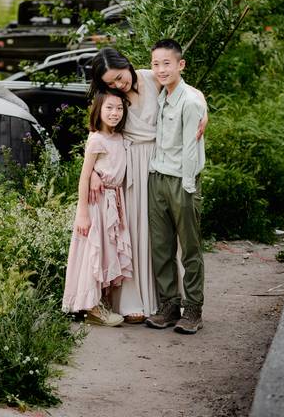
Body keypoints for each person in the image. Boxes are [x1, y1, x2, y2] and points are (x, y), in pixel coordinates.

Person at [87, 47, 207, 324]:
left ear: (126, 65)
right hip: (129, 164)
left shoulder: (152, 77)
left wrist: (205, 116)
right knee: (134, 230)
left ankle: (171, 302)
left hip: (161, 161)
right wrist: (93, 170)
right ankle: (134, 300)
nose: (119, 85)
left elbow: (193, 94)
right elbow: (97, 129)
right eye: (111, 83)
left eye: (119, 77)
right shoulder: (112, 97)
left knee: (163, 237)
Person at [144, 39, 206, 334]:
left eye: (166, 63)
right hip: (157, 178)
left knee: (190, 248)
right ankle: (169, 305)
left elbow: (191, 148)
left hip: (183, 181)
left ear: (181, 64)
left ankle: (193, 309)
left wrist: (190, 187)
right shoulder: (161, 94)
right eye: (155, 64)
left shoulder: (191, 101)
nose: (160, 69)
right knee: (161, 246)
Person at [62, 90, 133, 327]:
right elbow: (83, 178)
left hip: (114, 201)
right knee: (93, 251)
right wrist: (82, 213)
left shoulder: (120, 137)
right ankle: (91, 306)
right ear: (98, 111)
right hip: (97, 204)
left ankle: (101, 302)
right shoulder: (96, 139)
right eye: (109, 108)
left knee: (107, 251)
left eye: (119, 108)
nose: (114, 113)